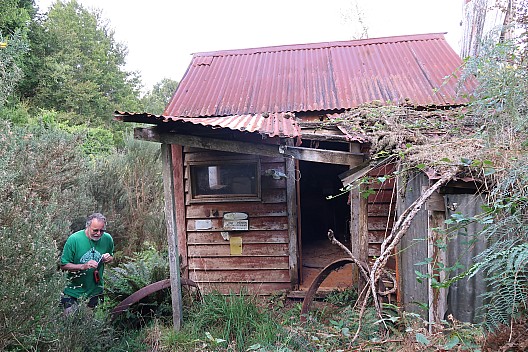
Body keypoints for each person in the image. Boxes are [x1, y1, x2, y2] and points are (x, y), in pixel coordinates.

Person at [60, 212, 114, 313]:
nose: (98, 233)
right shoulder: (74, 240)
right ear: (87, 226)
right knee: (69, 322)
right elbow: (63, 265)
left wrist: (108, 259)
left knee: (89, 324)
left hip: (95, 290)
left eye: (102, 230)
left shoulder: (107, 239)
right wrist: (82, 266)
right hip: (73, 291)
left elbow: (111, 256)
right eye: (95, 230)